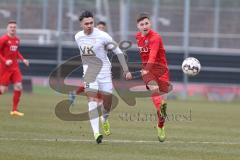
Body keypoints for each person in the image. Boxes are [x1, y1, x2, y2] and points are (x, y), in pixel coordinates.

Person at [75, 11, 132, 144]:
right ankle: (96, 133)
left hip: (105, 72)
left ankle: (104, 119)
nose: (89, 25)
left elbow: (118, 51)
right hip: (89, 73)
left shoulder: (103, 36)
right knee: (92, 100)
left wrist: (126, 70)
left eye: (91, 23)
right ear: (81, 24)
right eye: (86, 23)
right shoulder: (78, 37)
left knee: (107, 104)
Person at [135, 13, 171, 142]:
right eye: (142, 24)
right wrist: (146, 70)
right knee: (154, 89)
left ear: (150, 24)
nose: (145, 26)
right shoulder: (137, 37)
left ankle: (160, 125)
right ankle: (160, 109)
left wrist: (146, 68)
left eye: (146, 23)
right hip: (148, 71)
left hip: (161, 70)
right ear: (138, 26)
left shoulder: (156, 37)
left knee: (163, 101)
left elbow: (153, 56)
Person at [68, 20, 108, 105]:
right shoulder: (92, 38)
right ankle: (98, 103)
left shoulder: (104, 38)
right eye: (99, 27)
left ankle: (75, 94)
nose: (101, 29)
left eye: (103, 28)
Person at [0, 20, 29, 116]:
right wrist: (5, 61)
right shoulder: (3, 39)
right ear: (7, 28)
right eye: (11, 27)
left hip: (15, 68)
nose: (13, 28)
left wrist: (23, 59)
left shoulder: (17, 39)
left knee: (19, 86)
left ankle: (14, 110)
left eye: (14, 27)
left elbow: (16, 52)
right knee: (3, 90)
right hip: (5, 69)